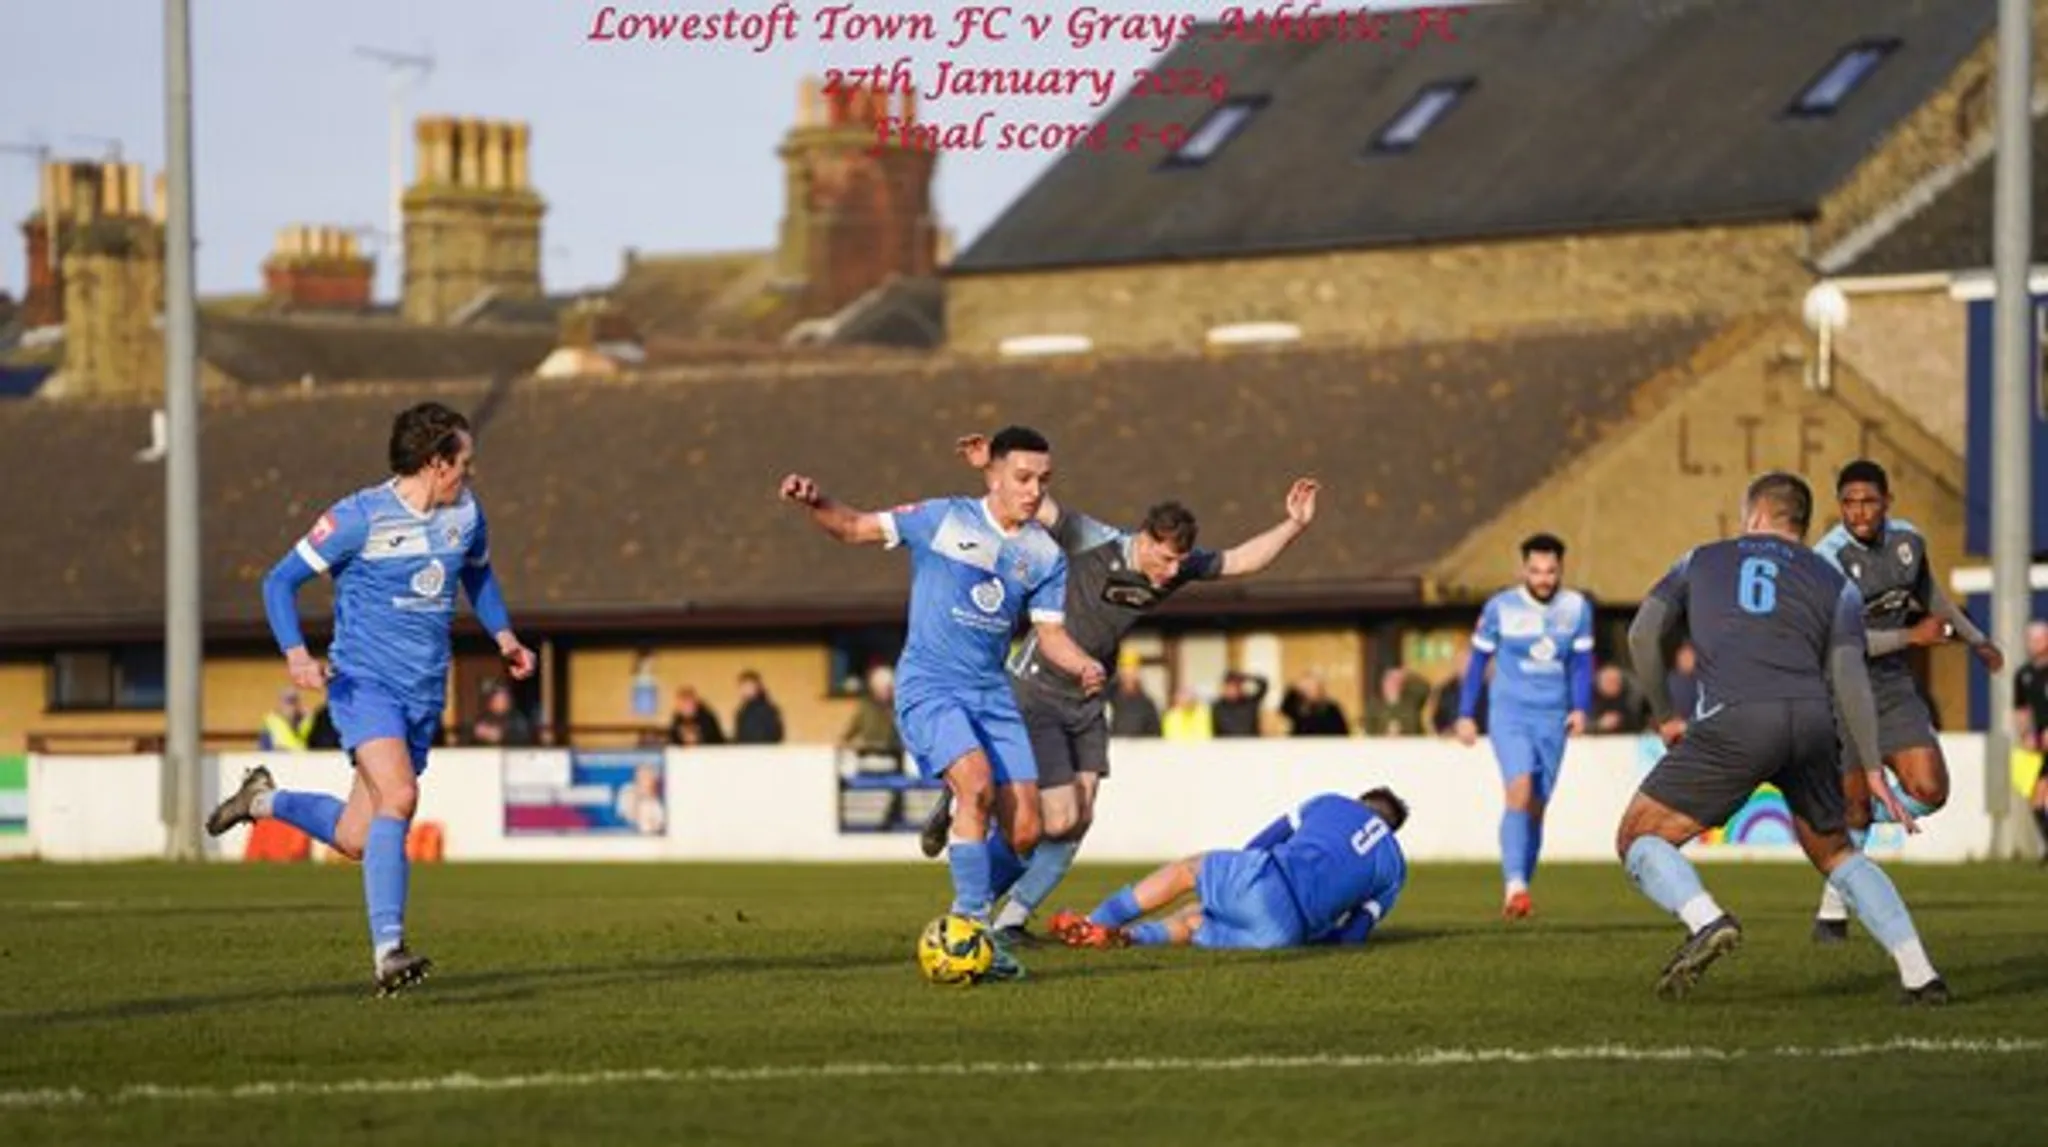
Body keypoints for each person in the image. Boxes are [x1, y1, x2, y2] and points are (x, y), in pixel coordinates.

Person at [921, 433, 1319, 946]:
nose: (1172, 575)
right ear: (1148, 540)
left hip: (1087, 698)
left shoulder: (1175, 567)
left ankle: (1012, 920)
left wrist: (1295, 524)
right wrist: (986, 469)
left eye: (1181, 563)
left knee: (1080, 817)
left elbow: (1241, 559)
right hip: (1038, 688)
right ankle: (966, 875)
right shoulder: (1094, 539)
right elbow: (1034, 504)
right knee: (1055, 815)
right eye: (1166, 561)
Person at [204, 401, 535, 996]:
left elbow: (477, 575)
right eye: (465, 461)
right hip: (364, 685)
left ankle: (262, 801)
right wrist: (296, 653)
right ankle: (389, 950)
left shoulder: (466, 513)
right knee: (401, 795)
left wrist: (505, 635)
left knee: (359, 836)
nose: (471, 473)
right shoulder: (359, 517)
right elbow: (279, 580)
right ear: (436, 463)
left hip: (423, 693)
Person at [778, 424, 1105, 982]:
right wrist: (817, 502)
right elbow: (854, 527)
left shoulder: (1045, 556)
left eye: (1043, 480)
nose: (1034, 491)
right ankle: (972, 928)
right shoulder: (942, 518)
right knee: (976, 785)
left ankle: (965, 899)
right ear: (994, 475)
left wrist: (1083, 665)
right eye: (1023, 478)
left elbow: (1049, 635)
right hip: (931, 685)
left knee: (1028, 831)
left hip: (992, 694)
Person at [1618, 470, 1946, 1004]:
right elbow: (1848, 672)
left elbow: (1642, 633)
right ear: (1801, 521)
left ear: (1752, 514)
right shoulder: (1832, 579)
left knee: (1639, 836)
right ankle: (1921, 975)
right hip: (1814, 721)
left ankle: (1706, 920)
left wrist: (1664, 714)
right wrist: (1867, 767)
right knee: (1838, 852)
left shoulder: (1701, 558)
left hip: (1736, 718)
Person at [1808, 460, 2004, 941]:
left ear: (1887, 502)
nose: (1859, 511)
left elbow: (1931, 593)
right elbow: (1839, 645)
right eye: (1849, 502)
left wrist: (1976, 637)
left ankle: (1851, 822)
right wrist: (1911, 636)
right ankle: (1834, 904)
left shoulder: (1907, 542)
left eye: (1869, 501)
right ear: (1839, 506)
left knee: (1931, 790)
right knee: (1853, 810)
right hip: (1843, 688)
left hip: (1893, 688)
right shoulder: (1825, 560)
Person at [1048, 787, 1408, 951]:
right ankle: (1128, 938)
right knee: (1194, 922)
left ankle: (1097, 922)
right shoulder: (1394, 869)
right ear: (1392, 829)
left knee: (1187, 872)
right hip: (1283, 935)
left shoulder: (1332, 801)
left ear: (1361, 801)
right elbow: (1352, 938)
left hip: (1270, 880)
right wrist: (1311, 936)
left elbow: (1262, 842)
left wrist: (1240, 879)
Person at [1454, 533, 1593, 920]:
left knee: (1536, 805)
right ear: (1523, 569)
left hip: (1553, 717)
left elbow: (1582, 665)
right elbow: (1478, 663)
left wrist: (1581, 707)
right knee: (1519, 789)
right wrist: (1466, 713)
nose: (1543, 578)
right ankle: (1514, 883)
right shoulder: (1500, 607)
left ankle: (1521, 890)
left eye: (1550, 571)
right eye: (1536, 570)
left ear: (1561, 569)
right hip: (1510, 713)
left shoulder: (1577, 608)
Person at [2015, 620, 2048, 858]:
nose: (2033, 644)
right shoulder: (2024, 674)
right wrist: (2026, 734)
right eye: (2030, 639)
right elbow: (2021, 709)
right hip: (2041, 746)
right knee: (2036, 799)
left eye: (2038, 638)